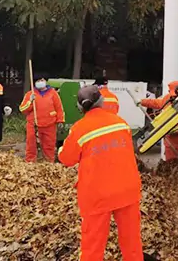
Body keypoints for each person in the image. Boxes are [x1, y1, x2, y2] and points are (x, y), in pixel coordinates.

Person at [58, 85, 142, 261]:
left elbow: (66, 159)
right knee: (132, 242)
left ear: (80, 107)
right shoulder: (121, 123)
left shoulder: (80, 129)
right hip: (127, 189)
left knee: (92, 246)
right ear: (102, 101)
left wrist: (60, 150)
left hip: (97, 194)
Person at [18, 73, 64, 162]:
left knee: (49, 146)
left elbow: (59, 108)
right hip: (33, 125)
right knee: (31, 146)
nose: (40, 82)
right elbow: (22, 109)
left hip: (50, 124)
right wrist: (30, 101)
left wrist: (60, 120)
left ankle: (49, 163)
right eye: (38, 81)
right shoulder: (30, 94)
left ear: (45, 81)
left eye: (42, 80)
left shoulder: (53, 94)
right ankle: (30, 163)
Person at [139, 79, 178, 161]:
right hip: (170, 143)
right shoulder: (167, 99)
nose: (175, 97)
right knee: (171, 164)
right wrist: (142, 101)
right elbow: (156, 103)